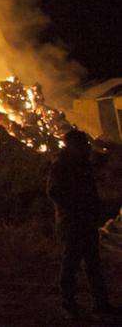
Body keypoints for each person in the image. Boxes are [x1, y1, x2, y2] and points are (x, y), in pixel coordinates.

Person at [49, 128, 114, 320]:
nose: (85, 147)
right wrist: (75, 206)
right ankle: (68, 303)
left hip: (86, 220)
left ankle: (101, 303)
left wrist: (94, 209)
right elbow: (54, 192)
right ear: (71, 146)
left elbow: (90, 191)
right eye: (81, 143)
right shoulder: (61, 166)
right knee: (71, 263)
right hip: (72, 222)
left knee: (93, 263)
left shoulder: (82, 164)